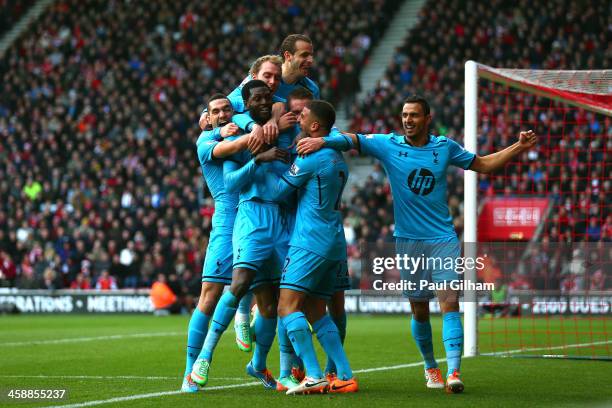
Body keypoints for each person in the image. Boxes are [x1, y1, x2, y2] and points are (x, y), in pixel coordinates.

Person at [297, 94, 537, 394]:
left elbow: (484, 164)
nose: (407, 120)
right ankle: (430, 366)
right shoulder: (388, 144)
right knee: (419, 310)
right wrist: (323, 142)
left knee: (449, 302)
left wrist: (519, 146)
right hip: (408, 241)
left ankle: (454, 372)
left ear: (427, 119)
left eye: (413, 115)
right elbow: (351, 139)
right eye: (404, 115)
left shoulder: (444, 147)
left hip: (443, 238)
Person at [191, 80, 292, 390]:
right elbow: (232, 184)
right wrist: (258, 159)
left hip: (281, 219)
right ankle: (203, 357)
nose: (263, 102)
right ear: (246, 105)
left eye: (267, 97)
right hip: (249, 216)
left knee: (273, 303)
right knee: (237, 284)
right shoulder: (232, 136)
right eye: (256, 98)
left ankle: (259, 365)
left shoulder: (282, 130)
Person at [266, 100, 357, 395]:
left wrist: (269, 161)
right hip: (332, 240)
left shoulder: (310, 156)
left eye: (303, 116)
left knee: (286, 306)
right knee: (317, 309)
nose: (298, 117)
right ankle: (344, 375)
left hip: (309, 240)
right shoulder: (336, 156)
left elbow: (280, 192)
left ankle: (314, 374)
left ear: (315, 126)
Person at [181, 94, 251, 393]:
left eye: (227, 109)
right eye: (215, 111)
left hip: (256, 215)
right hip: (226, 220)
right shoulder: (205, 142)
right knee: (208, 295)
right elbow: (233, 146)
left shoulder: (246, 127)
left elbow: (249, 88)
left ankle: (257, 349)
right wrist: (216, 131)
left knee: (270, 291)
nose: (222, 114)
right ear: (207, 117)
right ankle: (189, 371)